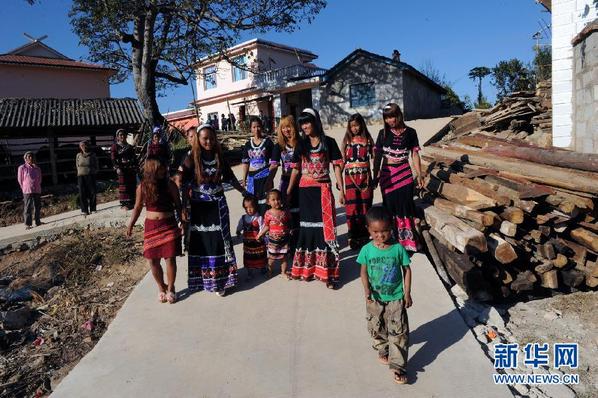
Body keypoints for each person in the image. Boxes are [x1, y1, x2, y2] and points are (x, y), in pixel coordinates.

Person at [178, 124, 247, 296]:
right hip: (199, 207)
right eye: (204, 138)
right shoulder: (191, 158)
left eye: (211, 138)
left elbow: (230, 177)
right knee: (204, 242)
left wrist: (244, 192)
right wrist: (183, 206)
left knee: (219, 242)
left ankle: (220, 280)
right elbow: (183, 181)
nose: (208, 141)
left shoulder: (219, 157)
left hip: (218, 205)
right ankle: (204, 278)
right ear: (198, 140)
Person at [286, 108, 345, 289]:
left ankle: (328, 273)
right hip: (305, 192)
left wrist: (341, 189)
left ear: (316, 121)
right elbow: (296, 169)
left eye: (307, 122)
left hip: (323, 190)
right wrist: (288, 191)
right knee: (307, 229)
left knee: (326, 230)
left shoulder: (329, 142)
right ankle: (307, 269)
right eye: (302, 123)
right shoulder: (301, 145)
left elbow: (336, 166)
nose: (304, 126)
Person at [357, 206, 412, 385]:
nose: (381, 236)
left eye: (385, 231)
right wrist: (366, 291)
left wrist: (407, 293)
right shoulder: (366, 250)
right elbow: (363, 271)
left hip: (396, 298)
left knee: (399, 332)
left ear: (392, 228)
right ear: (369, 230)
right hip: (375, 298)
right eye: (376, 232)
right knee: (376, 326)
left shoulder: (397, 249)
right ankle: (383, 349)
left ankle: (399, 367)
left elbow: (407, 270)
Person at [126, 157, 183, 304]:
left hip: (168, 225)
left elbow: (178, 204)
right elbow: (137, 207)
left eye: (163, 167)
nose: (164, 170)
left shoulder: (170, 184)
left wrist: (183, 222)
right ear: (152, 170)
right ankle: (161, 287)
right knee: (152, 260)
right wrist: (130, 224)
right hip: (151, 227)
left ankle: (171, 288)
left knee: (170, 258)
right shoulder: (142, 187)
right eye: (160, 168)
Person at [372, 103, 423, 252]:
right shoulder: (383, 134)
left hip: (404, 174)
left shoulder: (411, 133)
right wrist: (375, 176)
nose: (390, 120)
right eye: (387, 117)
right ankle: (392, 242)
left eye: (392, 116)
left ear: (399, 115)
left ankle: (408, 243)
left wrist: (419, 174)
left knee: (406, 206)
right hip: (387, 176)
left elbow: (414, 154)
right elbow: (377, 157)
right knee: (390, 208)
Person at [342, 113, 375, 250]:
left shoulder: (368, 140)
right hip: (350, 178)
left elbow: (374, 158)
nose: (354, 128)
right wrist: (339, 182)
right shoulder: (346, 141)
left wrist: (376, 175)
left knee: (365, 206)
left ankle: (365, 236)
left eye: (356, 125)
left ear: (361, 124)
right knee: (352, 208)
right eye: (352, 126)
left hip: (365, 178)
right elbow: (342, 161)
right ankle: (353, 237)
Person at [271, 115, 300, 252]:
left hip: (301, 182)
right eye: (283, 127)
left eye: (288, 126)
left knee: (302, 213)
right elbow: (274, 166)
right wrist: (268, 182)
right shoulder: (279, 147)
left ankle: (302, 244)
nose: (286, 130)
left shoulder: (301, 143)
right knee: (287, 215)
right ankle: (290, 247)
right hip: (285, 181)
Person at [241, 116, 276, 214]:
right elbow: (245, 162)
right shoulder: (248, 144)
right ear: (250, 129)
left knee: (266, 204)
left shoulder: (268, 142)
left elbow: (274, 162)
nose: (256, 129)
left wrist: (270, 179)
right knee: (253, 204)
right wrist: (244, 179)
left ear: (262, 127)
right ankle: (256, 227)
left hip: (265, 177)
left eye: (258, 126)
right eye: (254, 127)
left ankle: (268, 226)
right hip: (252, 179)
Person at [257, 189, 292, 279]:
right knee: (272, 258)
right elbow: (267, 226)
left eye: (278, 199)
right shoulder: (268, 214)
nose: (276, 201)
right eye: (273, 200)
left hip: (284, 240)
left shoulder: (285, 212)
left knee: (284, 258)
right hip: (273, 240)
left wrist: (290, 230)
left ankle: (283, 272)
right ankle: (269, 271)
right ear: (268, 202)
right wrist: (260, 234)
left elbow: (289, 223)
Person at [236, 195, 267, 280]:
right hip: (248, 244)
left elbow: (262, 227)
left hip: (258, 243)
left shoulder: (259, 218)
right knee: (248, 257)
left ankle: (262, 267)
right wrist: (238, 231)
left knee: (260, 255)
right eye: (246, 207)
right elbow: (240, 226)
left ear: (256, 206)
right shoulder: (243, 218)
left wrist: (261, 235)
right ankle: (250, 272)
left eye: (251, 207)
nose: (248, 209)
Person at [111, 129, 138, 210]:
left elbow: (134, 158)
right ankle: (124, 203)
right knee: (124, 186)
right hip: (121, 169)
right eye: (120, 135)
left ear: (126, 136)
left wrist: (135, 166)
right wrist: (117, 167)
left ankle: (132, 202)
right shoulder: (115, 147)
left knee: (132, 185)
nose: (122, 136)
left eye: (123, 134)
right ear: (117, 137)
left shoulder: (130, 147)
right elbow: (113, 158)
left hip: (130, 169)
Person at [17, 151, 42, 229]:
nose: (31, 158)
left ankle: (38, 221)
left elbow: (40, 179)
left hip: (37, 189)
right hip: (27, 190)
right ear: (25, 158)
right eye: (29, 157)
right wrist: (24, 187)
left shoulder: (37, 168)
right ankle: (28, 224)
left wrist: (37, 185)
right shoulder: (22, 168)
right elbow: (20, 180)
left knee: (37, 206)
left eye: (32, 156)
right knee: (27, 207)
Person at [76, 140, 98, 215]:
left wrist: (93, 171)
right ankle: (84, 210)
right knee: (82, 193)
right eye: (81, 146)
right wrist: (80, 172)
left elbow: (96, 165)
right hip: (81, 176)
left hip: (91, 175)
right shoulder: (78, 155)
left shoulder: (93, 155)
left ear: (87, 146)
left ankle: (93, 208)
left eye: (84, 145)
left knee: (92, 192)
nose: (83, 147)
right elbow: (77, 165)